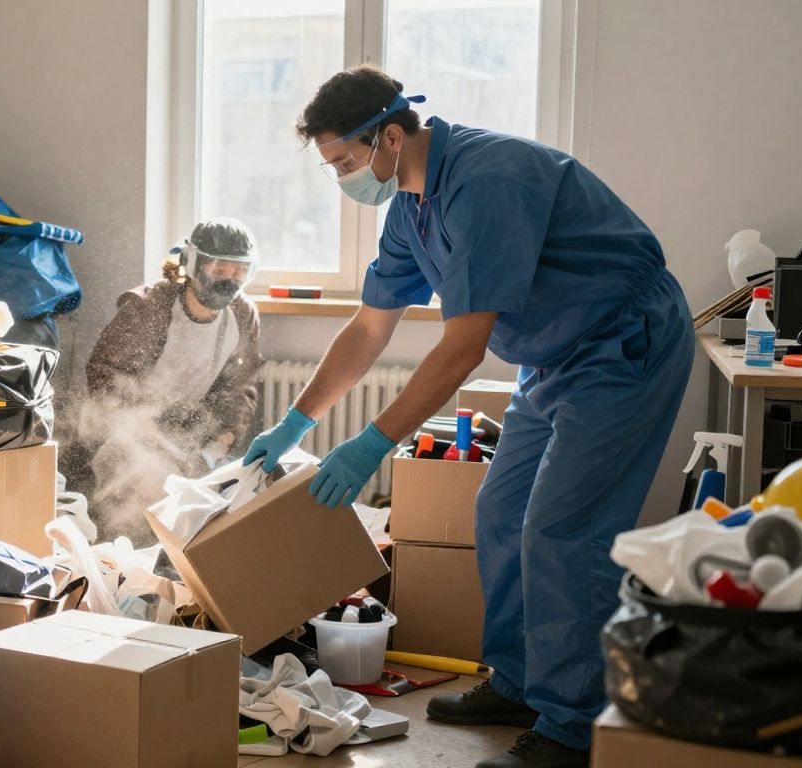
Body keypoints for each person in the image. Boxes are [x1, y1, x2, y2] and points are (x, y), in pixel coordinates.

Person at [244, 66, 693, 768]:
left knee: (561, 530)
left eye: (344, 161)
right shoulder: (410, 209)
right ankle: (521, 684)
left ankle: (572, 730)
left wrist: (371, 444)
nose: (342, 178)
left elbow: (461, 352)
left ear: (390, 136)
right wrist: (296, 423)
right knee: (499, 512)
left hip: (622, 343)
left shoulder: (488, 182)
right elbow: (368, 330)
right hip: (554, 358)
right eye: (330, 166)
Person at [71, 217, 262, 538]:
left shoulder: (243, 314)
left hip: (189, 431)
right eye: (218, 271)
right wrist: (139, 433)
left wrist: (218, 446)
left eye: (239, 272)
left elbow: (240, 388)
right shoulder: (149, 307)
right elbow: (105, 374)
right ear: (191, 263)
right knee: (143, 494)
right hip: (126, 430)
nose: (228, 281)